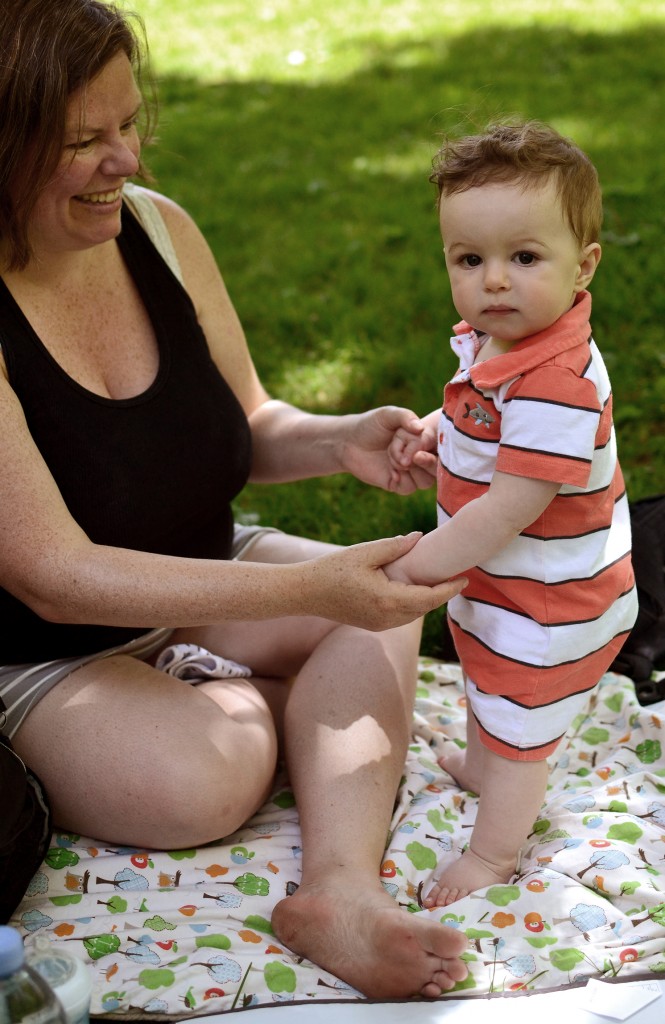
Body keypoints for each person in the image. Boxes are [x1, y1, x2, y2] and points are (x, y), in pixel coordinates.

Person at [0, 0, 470, 1000]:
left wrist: (336, 439)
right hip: (47, 644)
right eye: (84, 141)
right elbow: (49, 574)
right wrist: (311, 608)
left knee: (391, 589)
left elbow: (245, 420)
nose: (124, 162)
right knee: (201, 778)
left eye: (130, 125)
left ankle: (339, 893)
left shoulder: (160, 233)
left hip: (196, 573)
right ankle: (291, 715)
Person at [385, 120, 638, 905]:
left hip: (552, 600)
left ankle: (495, 851)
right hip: (500, 581)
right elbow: (482, 419)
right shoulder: (500, 342)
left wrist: (419, 563)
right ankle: (479, 761)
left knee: (519, 714)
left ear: (581, 265)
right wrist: (439, 430)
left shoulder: (555, 382)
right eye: (469, 260)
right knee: (478, 667)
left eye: (523, 258)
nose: (492, 281)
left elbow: (509, 507)